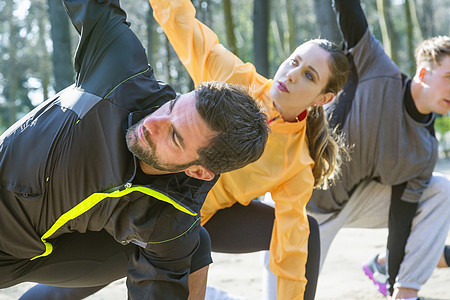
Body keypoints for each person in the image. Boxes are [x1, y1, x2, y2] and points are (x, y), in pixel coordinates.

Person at [22, 0, 350, 299]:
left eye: (308, 75)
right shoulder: (234, 76)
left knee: (307, 234)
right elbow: (181, 22)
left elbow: (291, 246)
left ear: (323, 98)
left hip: (208, 215)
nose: (291, 75)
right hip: (152, 199)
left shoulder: (298, 164)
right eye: (294, 61)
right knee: (62, 291)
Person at [264, 0, 450, 299]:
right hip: (295, 201)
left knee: (440, 190)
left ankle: (405, 294)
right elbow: (347, 7)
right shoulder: (376, 65)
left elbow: (401, 219)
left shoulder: (425, 150)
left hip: (350, 201)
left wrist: (395, 286)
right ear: (425, 75)